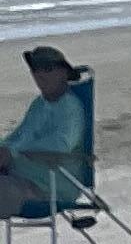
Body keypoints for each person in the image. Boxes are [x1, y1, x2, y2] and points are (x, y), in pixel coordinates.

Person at [2, 45, 90, 214]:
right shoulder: (39, 105)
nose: (39, 74)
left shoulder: (70, 107)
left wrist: (13, 152)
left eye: (47, 69)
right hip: (20, 178)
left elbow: (61, 144)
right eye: (35, 69)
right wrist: (5, 149)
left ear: (63, 73)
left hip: (50, 186)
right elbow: (19, 136)